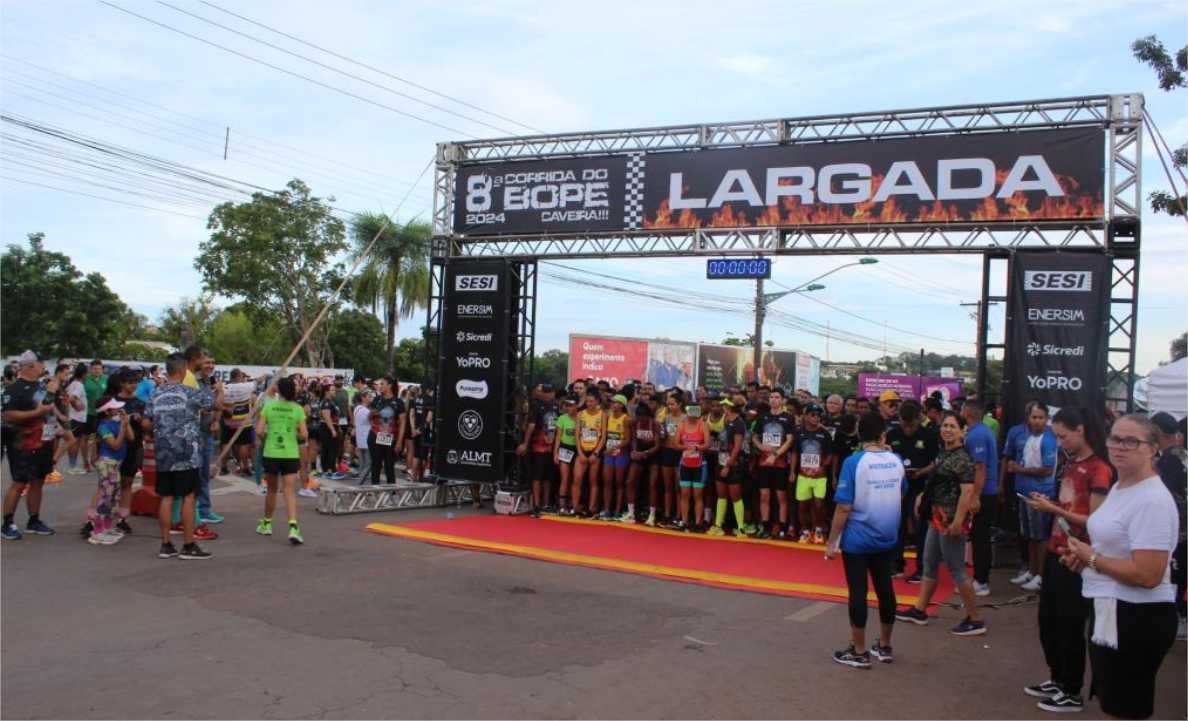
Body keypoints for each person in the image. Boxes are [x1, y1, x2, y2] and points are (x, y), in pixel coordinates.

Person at [1059, 415, 1179, 720]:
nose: (1120, 447)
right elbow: (1113, 544)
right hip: (1112, 610)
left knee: (1125, 709)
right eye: (1115, 438)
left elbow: (1148, 575)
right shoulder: (1121, 486)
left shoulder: (1152, 500)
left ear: (1153, 449)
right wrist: (1085, 560)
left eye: (1131, 441)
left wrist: (1092, 560)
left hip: (1137, 618)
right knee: (1114, 706)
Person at [1021, 407, 1112, 713]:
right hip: (1056, 549)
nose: (1060, 442)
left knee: (1071, 625)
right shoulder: (1071, 463)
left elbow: (1093, 521)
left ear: (1081, 430)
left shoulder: (1100, 468)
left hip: (1077, 556)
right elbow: (1069, 504)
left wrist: (1055, 511)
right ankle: (1058, 678)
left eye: (1063, 436)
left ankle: (1071, 689)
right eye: (1056, 436)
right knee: (1049, 620)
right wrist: (1050, 504)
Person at [826, 412, 905, 668]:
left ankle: (859, 651)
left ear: (860, 436)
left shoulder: (854, 462)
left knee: (858, 591)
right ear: (883, 435)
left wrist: (831, 542)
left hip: (858, 539)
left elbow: (843, 507)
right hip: (887, 536)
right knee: (885, 589)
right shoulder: (896, 461)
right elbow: (901, 492)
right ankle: (884, 645)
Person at [896, 411, 986, 636]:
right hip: (936, 518)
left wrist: (957, 522)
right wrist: (922, 497)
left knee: (957, 570)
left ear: (962, 431)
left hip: (950, 520)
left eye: (953, 426)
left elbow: (967, 492)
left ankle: (975, 619)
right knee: (929, 563)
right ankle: (919, 610)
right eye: (945, 425)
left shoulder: (963, 458)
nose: (947, 429)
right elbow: (936, 480)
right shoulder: (944, 453)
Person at [144, 353, 222, 560]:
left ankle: (166, 544)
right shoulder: (190, 392)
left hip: (163, 453)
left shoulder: (155, 393)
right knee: (189, 497)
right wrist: (220, 391)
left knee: (166, 497)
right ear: (182, 371)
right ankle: (188, 544)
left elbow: (146, 422)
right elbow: (215, 404)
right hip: (187, 453)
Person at [1, 351, 62, 539]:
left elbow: (50, 408)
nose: (44, 366)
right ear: (30, 365)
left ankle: (33, 520)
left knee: (38, 480)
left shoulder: (44, 386)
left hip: (44, 441)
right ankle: (7, 523)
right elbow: (9, 415)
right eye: (41, 363)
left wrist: (53, 391)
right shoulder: (14, 389)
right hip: (22, 442)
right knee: (20, 482)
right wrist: (36, 413)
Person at [1003, 402, 1059, 592]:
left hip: (1041, 494)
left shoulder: (1049, 439)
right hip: (1024, 492)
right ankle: (1032, 571)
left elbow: (1047, 469)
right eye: (1033, 417)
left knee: (1040, 536)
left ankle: (1041, 575)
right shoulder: (1028, 436)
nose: (1036, 421)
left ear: (1046, 419)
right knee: (1029, 535)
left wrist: (1020, 469)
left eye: (1040, 417)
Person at [887, 400, 939, 581]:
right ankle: (896, 565)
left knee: (920, 528)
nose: (907, 429)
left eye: (911, 425)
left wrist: (921, 472)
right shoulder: (891, 434)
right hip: (898, 488)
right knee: (896, 525)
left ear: (919, 419)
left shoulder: (930, 435)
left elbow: (936, 462)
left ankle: (922, 568)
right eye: (904, 424)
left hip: (920, 487)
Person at [255, 376, 308, 545]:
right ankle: (293, 527)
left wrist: (266, 438)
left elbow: (259, 430)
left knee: (271, 489)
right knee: (289, 491)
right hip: (290, 454)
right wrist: (293, 437)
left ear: (279, 390)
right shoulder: (298, 409)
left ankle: (267, 523)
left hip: (271, 452)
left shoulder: (269, 407)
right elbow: (304, 435)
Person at [1149, 411, 1186, 640]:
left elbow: (1163, 494)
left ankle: (1179, 619)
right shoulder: (1182, 454)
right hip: (1182, 528)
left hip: (1178, 529)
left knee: (1176, 576)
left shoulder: (1169, 460)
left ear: (1159, 432)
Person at [962, 398, 999, 597]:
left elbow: (980, 468)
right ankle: (979, 578)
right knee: (978, 537)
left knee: (980, 537)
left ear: (968, 411)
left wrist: (975, 497)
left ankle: (982, 581)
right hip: (984, 492)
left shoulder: (977, 434)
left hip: (983, 494)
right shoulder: (981, 431)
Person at [87, 397, 134, 545]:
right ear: (107, 412)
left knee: (113, 498)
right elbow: (115, 445)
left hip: (115, 465)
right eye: (115, 408)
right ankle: (97, 531)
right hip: (107, 464)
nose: (118, 410)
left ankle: (107, 528)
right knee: (106, 498)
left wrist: (125, 423)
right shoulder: (103, 426)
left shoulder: (117, 422)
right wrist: (122, 428)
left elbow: (131, 437)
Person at [752, 388, 796, 539]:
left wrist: (776, 454)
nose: (773, 399)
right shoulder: (762, 417)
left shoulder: (788, 418)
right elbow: (754, 437)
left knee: (781, 497)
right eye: (771, 397)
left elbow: (790, 440)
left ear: (782, 400)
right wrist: (761, 447)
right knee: (764, 495)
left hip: (780, 463)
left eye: (777, 397)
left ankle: (783, 527)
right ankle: (765, 526)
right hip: (764, 462)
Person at [791, 403, 834, 544]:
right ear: (806, 416)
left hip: (819, 477)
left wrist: (823, 467)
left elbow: (829, 455)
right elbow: (795, 454)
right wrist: (792, 471)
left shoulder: (825, 434)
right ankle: (805, 531)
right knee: (802, 505)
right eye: (813, 415)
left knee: (819, 504)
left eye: (818, 415)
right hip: (803, 475)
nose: (816, 418)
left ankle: (819, 530)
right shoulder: (799, 433)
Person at [707, 398, 750, 537]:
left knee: (735, 496)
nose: (721, 406)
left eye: (724, 404)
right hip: (720, 460)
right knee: (721, 495)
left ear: (730, 407)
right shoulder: (725, 420)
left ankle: (741, 527)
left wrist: (728, 465)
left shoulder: (739, 423)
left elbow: (737, 447)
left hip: (733, 464)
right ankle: (718, 525)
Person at [522, 384, 559, 516]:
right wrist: (525, 444)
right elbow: (530, 426)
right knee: (537, 476)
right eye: (543, 392)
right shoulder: (536, 406)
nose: (545, 394)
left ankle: (546, 503)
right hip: (538, 446)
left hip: (552, 446)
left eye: (548, 392)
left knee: (548, 477)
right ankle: (536, 505)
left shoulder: (556, 406)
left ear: (552, 393)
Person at [676, 403, 710, 531]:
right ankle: (684, 521)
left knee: (698, 495)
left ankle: (697, 522)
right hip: (685, 464)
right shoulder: (682, 425)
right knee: (684, 494)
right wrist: (686, 447)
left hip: (699, 465)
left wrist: (696, 447)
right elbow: (676, 443)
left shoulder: (703, 425)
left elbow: (707, 444)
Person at [628, 398, 661, 525]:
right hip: (640, 454)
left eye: (643, 418)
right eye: (638, 417)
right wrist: (634, 451)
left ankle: (652, 515)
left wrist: (645, 453)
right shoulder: (634, 423)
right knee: (630, 481)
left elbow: (657, 445)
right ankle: (631, 513)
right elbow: (634, 439)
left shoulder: (655, 424)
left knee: (653, 484)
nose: (640, 420)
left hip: (653, 455)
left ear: (648, 416)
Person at [367, 376, 405, 486]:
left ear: (389, 386)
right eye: (379, 384)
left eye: (382, 384)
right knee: (376, 464)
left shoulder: (398, 402)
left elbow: (402, 423)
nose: (380, 386)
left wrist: (399, 442)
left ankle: (391, 491)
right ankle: (375, 489)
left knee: (389, 465)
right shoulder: (377, 399)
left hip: (389, 436)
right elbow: (370, 416)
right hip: (375, 434)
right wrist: (372, 414)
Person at [574, 391, 606, 517]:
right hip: (582, 450)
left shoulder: (602, 415)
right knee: (577, 479)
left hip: (595, 451)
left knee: (593, 480)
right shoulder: (580, 414)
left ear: (597, 402)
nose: (589, 404)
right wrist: (580, 453)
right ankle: (575, 507)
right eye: (587, 401)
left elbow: (603, 436)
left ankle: (592, 508)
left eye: (592, 401)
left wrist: (596, 452)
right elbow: (577, 434)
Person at [656, 392, 687, 526]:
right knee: (667, 486)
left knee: (679, 486)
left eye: (672, 404)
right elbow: (663, 435)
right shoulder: (666, 418)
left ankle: (679, 515)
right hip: (667, 452)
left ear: (680, 404)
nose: (670, 406)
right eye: (668, 404)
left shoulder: (686, 418)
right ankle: (667, 514)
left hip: (680, 453)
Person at [600, 395, 632, 520]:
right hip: (609, 453)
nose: (614, 405)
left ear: (622, 405)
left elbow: (628, 439)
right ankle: (607, 509)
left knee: (619, 482)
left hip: (621, 453)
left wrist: (615, 447)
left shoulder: (626, 419)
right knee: (607, 482)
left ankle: (618, 510)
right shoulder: (608, 416)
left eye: (617, 403)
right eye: (613, 402)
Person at [554, 396, 580, 515]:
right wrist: (556, 452)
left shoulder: (581, 418)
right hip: (565, 448)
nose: (568, 408)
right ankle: (562, 506)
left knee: (575, 479)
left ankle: (573, 504)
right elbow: (558, 437)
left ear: (577, 406)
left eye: (571, 405)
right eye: (567, 405)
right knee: (565, 478)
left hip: (578, 449)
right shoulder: (562, 418)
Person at [82, 359, 108, 470]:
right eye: (94, 368)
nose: (97, 371)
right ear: (90, 369)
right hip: (88, 413)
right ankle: (85, 462)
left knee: (101, 437)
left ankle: (96, 459)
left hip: (102, 413)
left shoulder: (106, 379)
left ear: (103, 369)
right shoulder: (85, 380)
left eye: (99, 368)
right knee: (85, 438)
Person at [352, 389, 373, 484]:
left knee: (363, 463)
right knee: (369, 463)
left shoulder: (357, 408)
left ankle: (360, 483)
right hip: (367, 438)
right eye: (369, 396)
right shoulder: (366, 411)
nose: (370, 398)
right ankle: (359, 483)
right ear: (363, 398)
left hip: (360, 438)